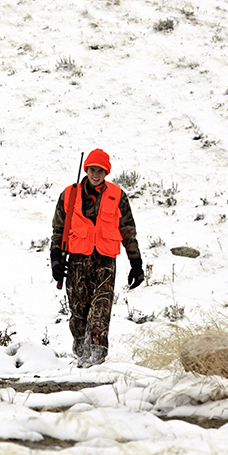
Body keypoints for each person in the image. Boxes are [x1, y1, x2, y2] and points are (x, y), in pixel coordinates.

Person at [50, 148, 144, 367]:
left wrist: (136, 263)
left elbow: (128, 230)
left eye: (100, 170)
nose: (96, 174)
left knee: (101, 311)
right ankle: (81, 356)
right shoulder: (69, 194)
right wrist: (55, 258)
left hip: (104, 262)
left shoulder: (118, 196)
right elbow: (58, 229)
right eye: (92, 169)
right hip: (76, 261)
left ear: (106, 172)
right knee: (78, 313)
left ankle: (97, 358)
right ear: (87, 169)